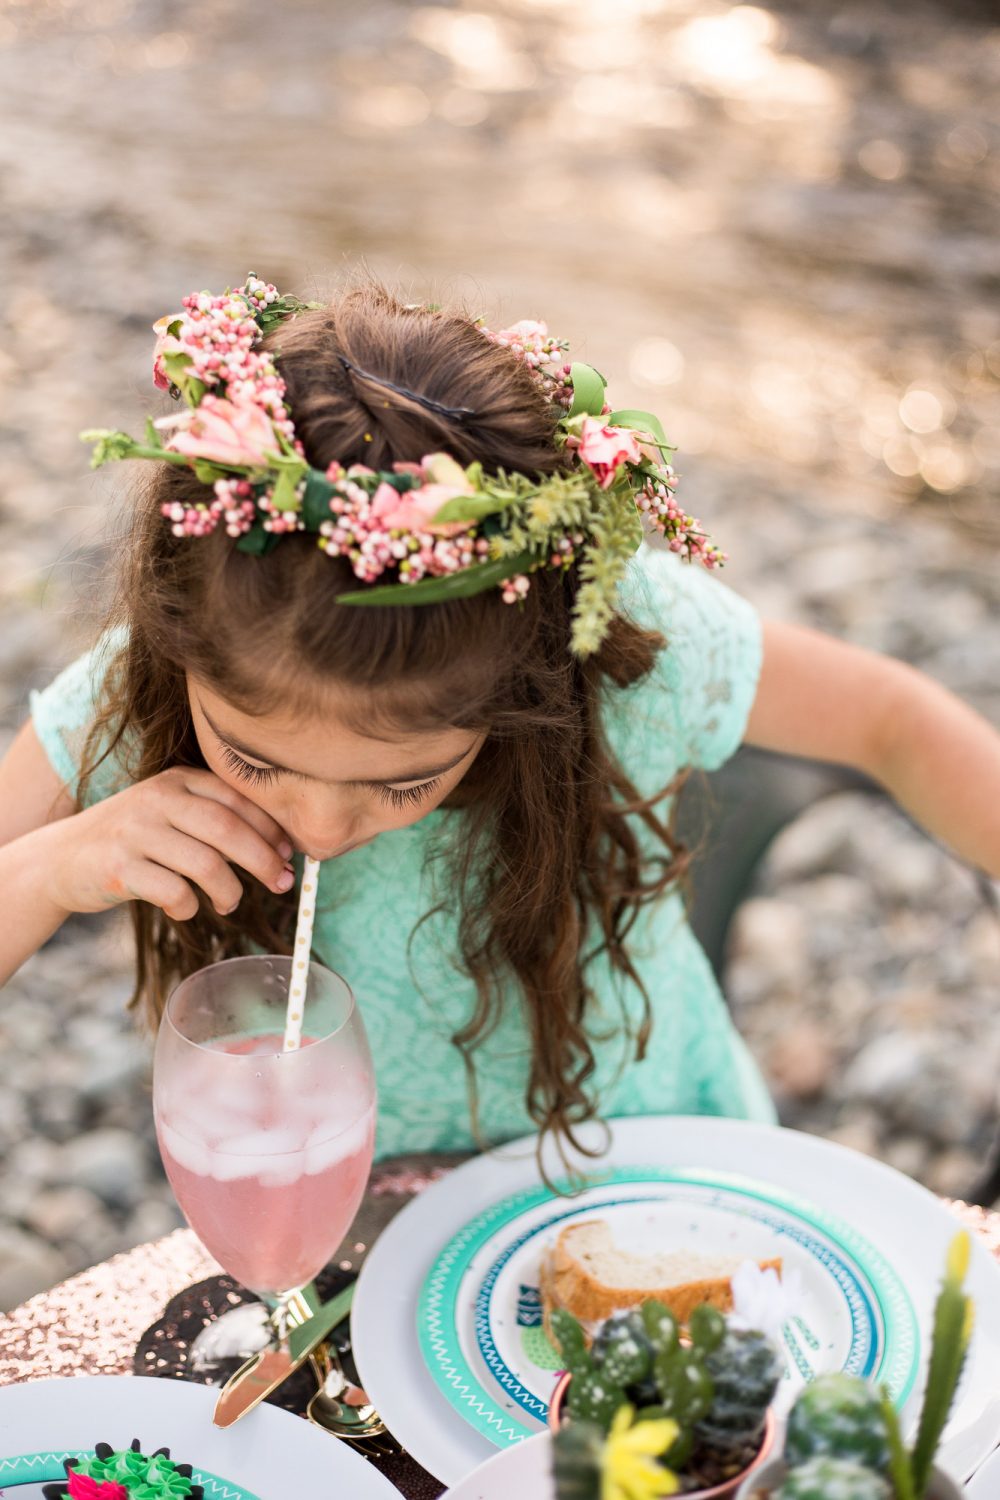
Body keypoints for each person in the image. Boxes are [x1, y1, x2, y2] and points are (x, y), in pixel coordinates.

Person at [1, 273, 998, 1163]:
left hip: (649, 1166)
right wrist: (52, 867)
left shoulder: (618, 646)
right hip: (343, 1213)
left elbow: (890, 719)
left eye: (403, 781)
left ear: (525, 683)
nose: (317, 829)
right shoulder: (142, 687)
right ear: (182, 665)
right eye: (254, 763)